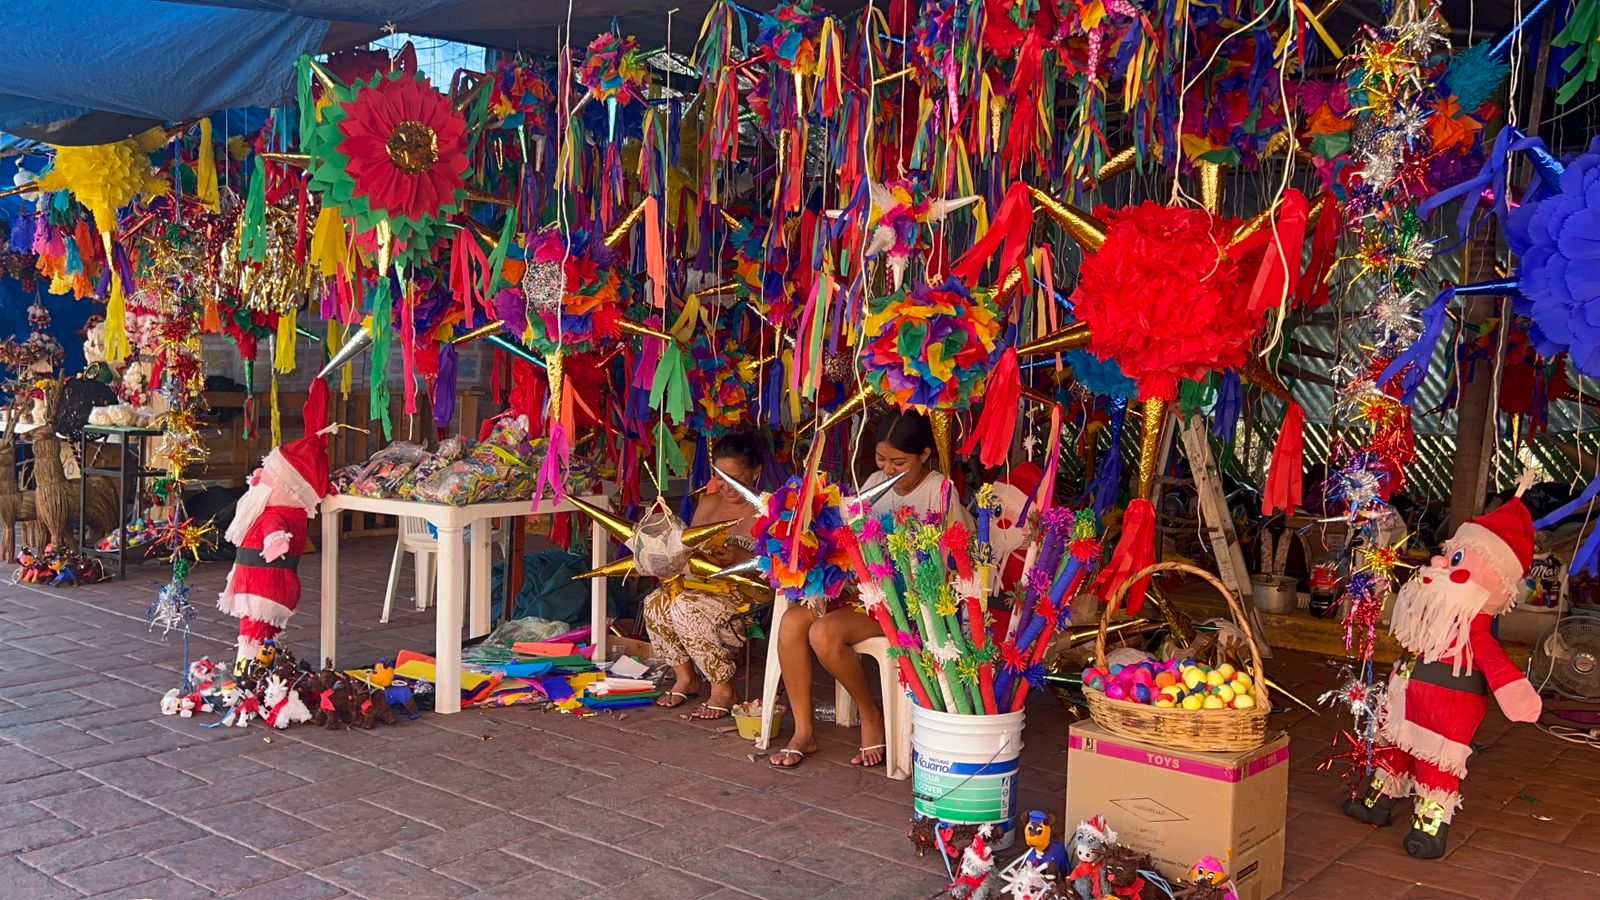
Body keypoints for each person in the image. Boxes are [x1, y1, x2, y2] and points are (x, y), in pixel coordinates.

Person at [769, 409, 969, 768]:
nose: (888, 469)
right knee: (791, 623)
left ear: (924, 455)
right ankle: (804, 731)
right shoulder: (875, 481)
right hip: (862, 593)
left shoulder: (939, 490)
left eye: (899, 461)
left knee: (824, 635)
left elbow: (953, 557)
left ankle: (870, 715)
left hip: (907, 604)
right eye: (881, 458)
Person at [644, 430, 765, 719]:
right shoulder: (708, 503)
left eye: (735, 478)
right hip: (698, 585)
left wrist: (741, 557)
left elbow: (777, 569)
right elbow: (687, 550)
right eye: (720, 478)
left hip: (744, 596)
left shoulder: (768, 510)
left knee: (684, 607)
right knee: (654, 603)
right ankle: (686, 677)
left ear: (756, 473)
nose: (726, 486)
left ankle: (723, 688)